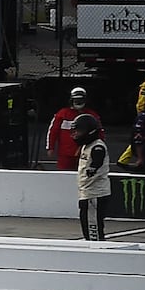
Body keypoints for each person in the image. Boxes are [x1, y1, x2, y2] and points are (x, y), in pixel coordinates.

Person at [72, 113, 110, 241]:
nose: (76, 134)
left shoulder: (97, 147)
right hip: (87, 193)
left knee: (93, 230)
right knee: (87, 227)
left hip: (95, 194)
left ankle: (99, 254)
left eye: (79, 131)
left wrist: (92, 168)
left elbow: (96, 163)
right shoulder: (86, 146)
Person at [45, 86, 97, 171]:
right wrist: (50, 147)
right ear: (71, 100)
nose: (78, 102)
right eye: (76, 100)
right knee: (63, 176)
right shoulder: (62, 114)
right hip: (65, 154)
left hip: (86, 153)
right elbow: (53, 131)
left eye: (81, 100)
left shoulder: (92, 115)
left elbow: (99, 132)